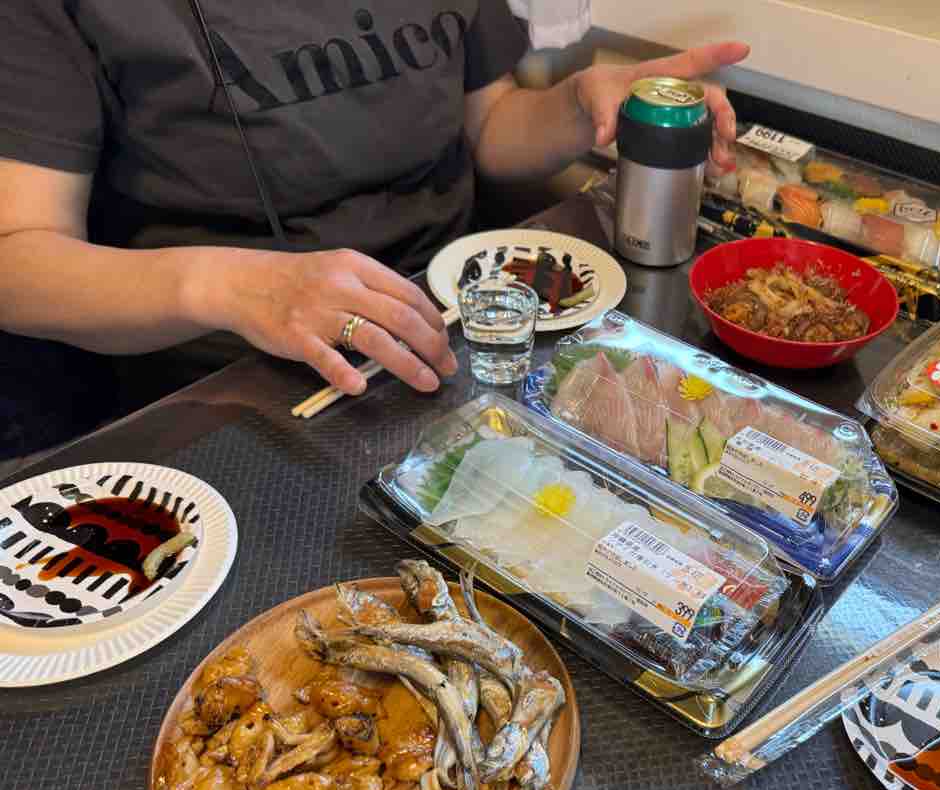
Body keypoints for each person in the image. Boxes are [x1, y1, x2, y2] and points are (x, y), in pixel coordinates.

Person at [0, 2, 744, 457]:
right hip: (235, 390)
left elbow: (489, 125)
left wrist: (576, 107)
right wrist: (235, 286)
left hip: (459, 337)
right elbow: (18, 262)